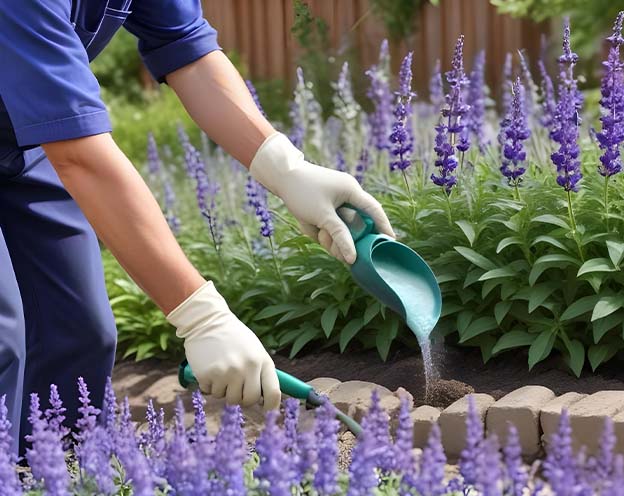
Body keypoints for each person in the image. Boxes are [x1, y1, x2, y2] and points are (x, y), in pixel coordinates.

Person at [0, 0, 394, 458]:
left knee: (79, 330)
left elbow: (184, 47)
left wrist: (285, 168)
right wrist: (201, 316)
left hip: (21, 142)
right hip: (48, 138)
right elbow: (80, 155)